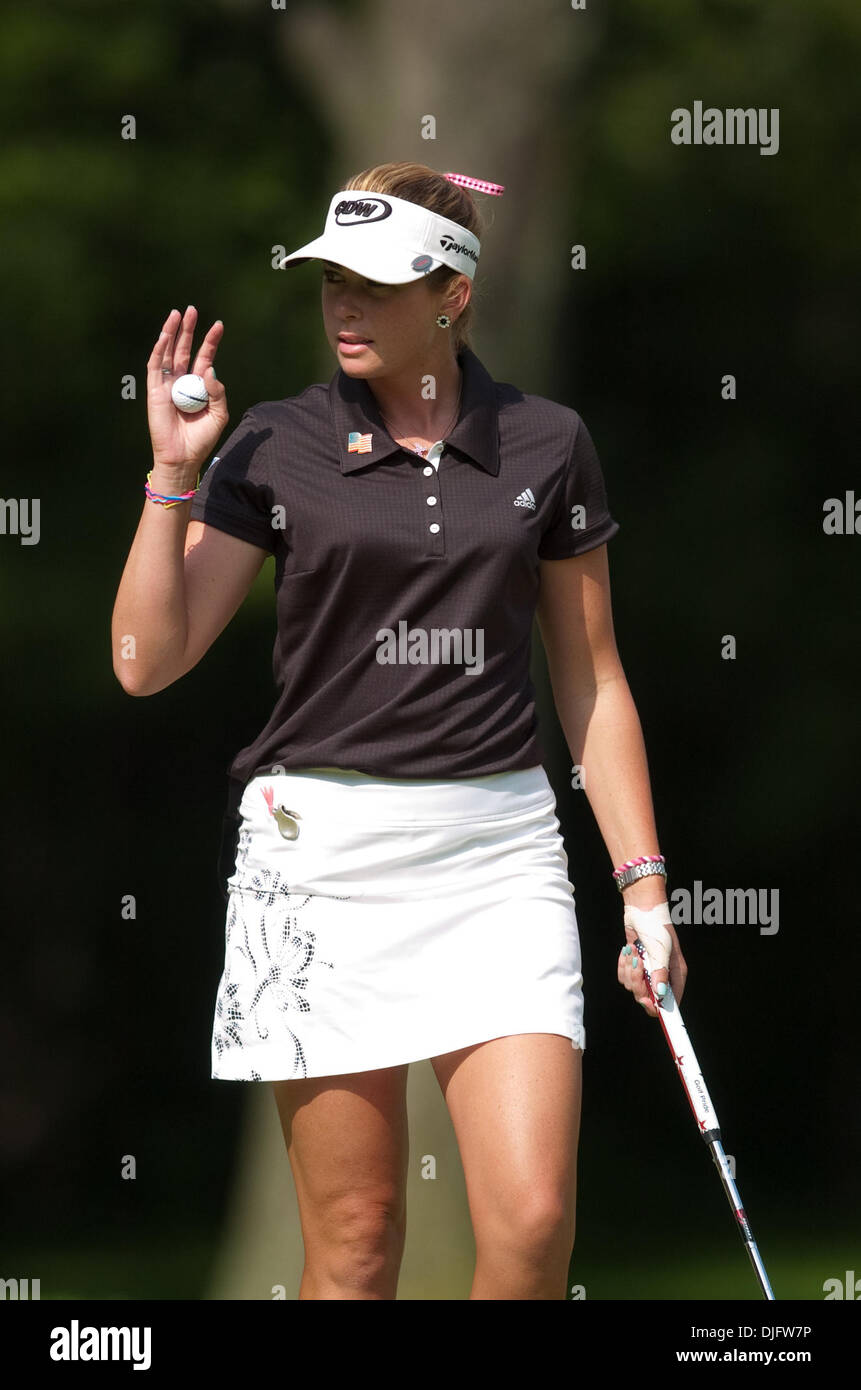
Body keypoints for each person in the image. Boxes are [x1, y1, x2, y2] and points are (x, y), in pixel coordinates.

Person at [111, 161, 687, 1301]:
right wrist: (173, 477)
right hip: (318, 861)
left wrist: (645, 884)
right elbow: (148, 661)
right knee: (359, 1244)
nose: (344, 307)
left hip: (498, 856)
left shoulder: (547, 443)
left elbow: (593, 678)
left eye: (373, 284)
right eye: (332, 282)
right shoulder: (273, 444)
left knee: (530, 1225)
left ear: (452, 293)